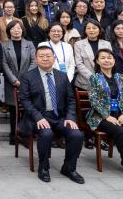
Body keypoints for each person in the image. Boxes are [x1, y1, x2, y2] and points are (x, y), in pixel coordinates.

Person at [18, 44, 85, 184]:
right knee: (46, 133)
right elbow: (25, 100)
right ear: (36, 59)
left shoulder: (62, 76)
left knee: (77, 135)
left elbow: (71, 100)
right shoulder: (27, 76)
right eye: (41, 56)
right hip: (37, 117)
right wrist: (38, 117)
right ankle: (43, 167)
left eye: (48, 56)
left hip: (59, 117)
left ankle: (69, 167)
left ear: (54, 58)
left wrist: (70, 118)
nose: (45, 59)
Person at [86, 48, 123, 178]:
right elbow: (94, 100)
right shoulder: (94, 78)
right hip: (100, 116)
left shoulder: (121, 77)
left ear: (114, 60)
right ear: (97, 61)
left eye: (109, 57)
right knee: (120, 132)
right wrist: (107, 116)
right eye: (103, 58)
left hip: (119, 115)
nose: (106, 60)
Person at [0, 19, 36, 145]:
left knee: (26, 109)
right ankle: (13, 134)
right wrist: (14, 80)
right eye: (13, 28)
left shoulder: (29, 44)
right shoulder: (4, 45)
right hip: (12, 83)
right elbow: (4, 64)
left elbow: (34, 62)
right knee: (13, 109)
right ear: (9, 31)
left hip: (28, 82)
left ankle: (25, 135)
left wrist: (25, 79)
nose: (16, 30)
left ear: (22, 30)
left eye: (18, 28)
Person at [73, 19, 112, 90]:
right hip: (85, 83)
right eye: (88, 28)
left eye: (94, 28)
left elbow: (110, 61)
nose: (91, 30)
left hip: (104, 82)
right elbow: (79, 64)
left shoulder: (107, 44)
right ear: (85, 30)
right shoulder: (78, 44)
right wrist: (93, 77)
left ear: (99, 30)